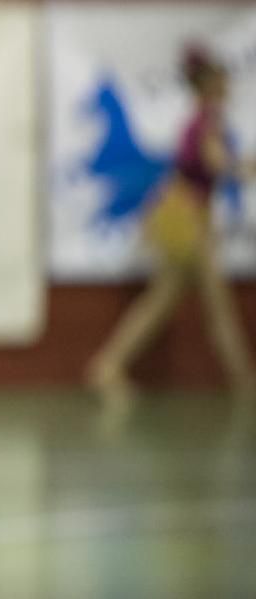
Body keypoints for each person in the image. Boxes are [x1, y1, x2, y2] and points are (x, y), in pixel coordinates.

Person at [87, 44, 256, 404]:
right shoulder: (207, 119)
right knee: (215, 303)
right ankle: (244, 381)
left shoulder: (200, 118)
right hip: (187, 218)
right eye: (224, 80)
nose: (230, 87)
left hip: (185, 214)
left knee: (165, 299)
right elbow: (215, 164)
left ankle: (107, 365)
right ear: (211, 84)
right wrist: (244, 168)